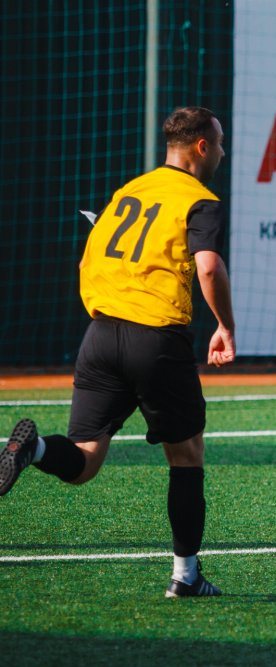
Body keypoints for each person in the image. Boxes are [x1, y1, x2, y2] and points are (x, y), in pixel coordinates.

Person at [0, 106, 235, 597]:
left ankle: (33, 449)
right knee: (186, 456)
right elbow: (209, 268)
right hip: (157, 340)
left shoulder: (129, 191)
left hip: (101, 336)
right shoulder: (200, 199)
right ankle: (186, 576)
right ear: (201, 147)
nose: (222, 152)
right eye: (219, 143)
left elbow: (88, 259)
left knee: (84, 463)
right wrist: (225, 326)